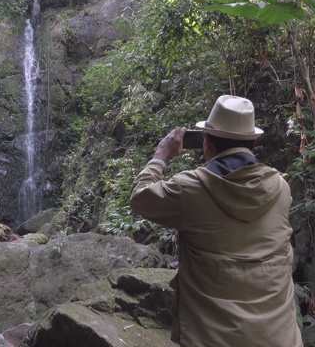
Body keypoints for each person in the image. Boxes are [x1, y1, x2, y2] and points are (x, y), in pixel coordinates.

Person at [129, 95, 303, 347]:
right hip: (280, 337)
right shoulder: (280, 188)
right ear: (252, 142)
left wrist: (160, 156)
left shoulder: (189, 189)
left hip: (213, 338)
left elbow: (141, 197)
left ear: (207, 143)